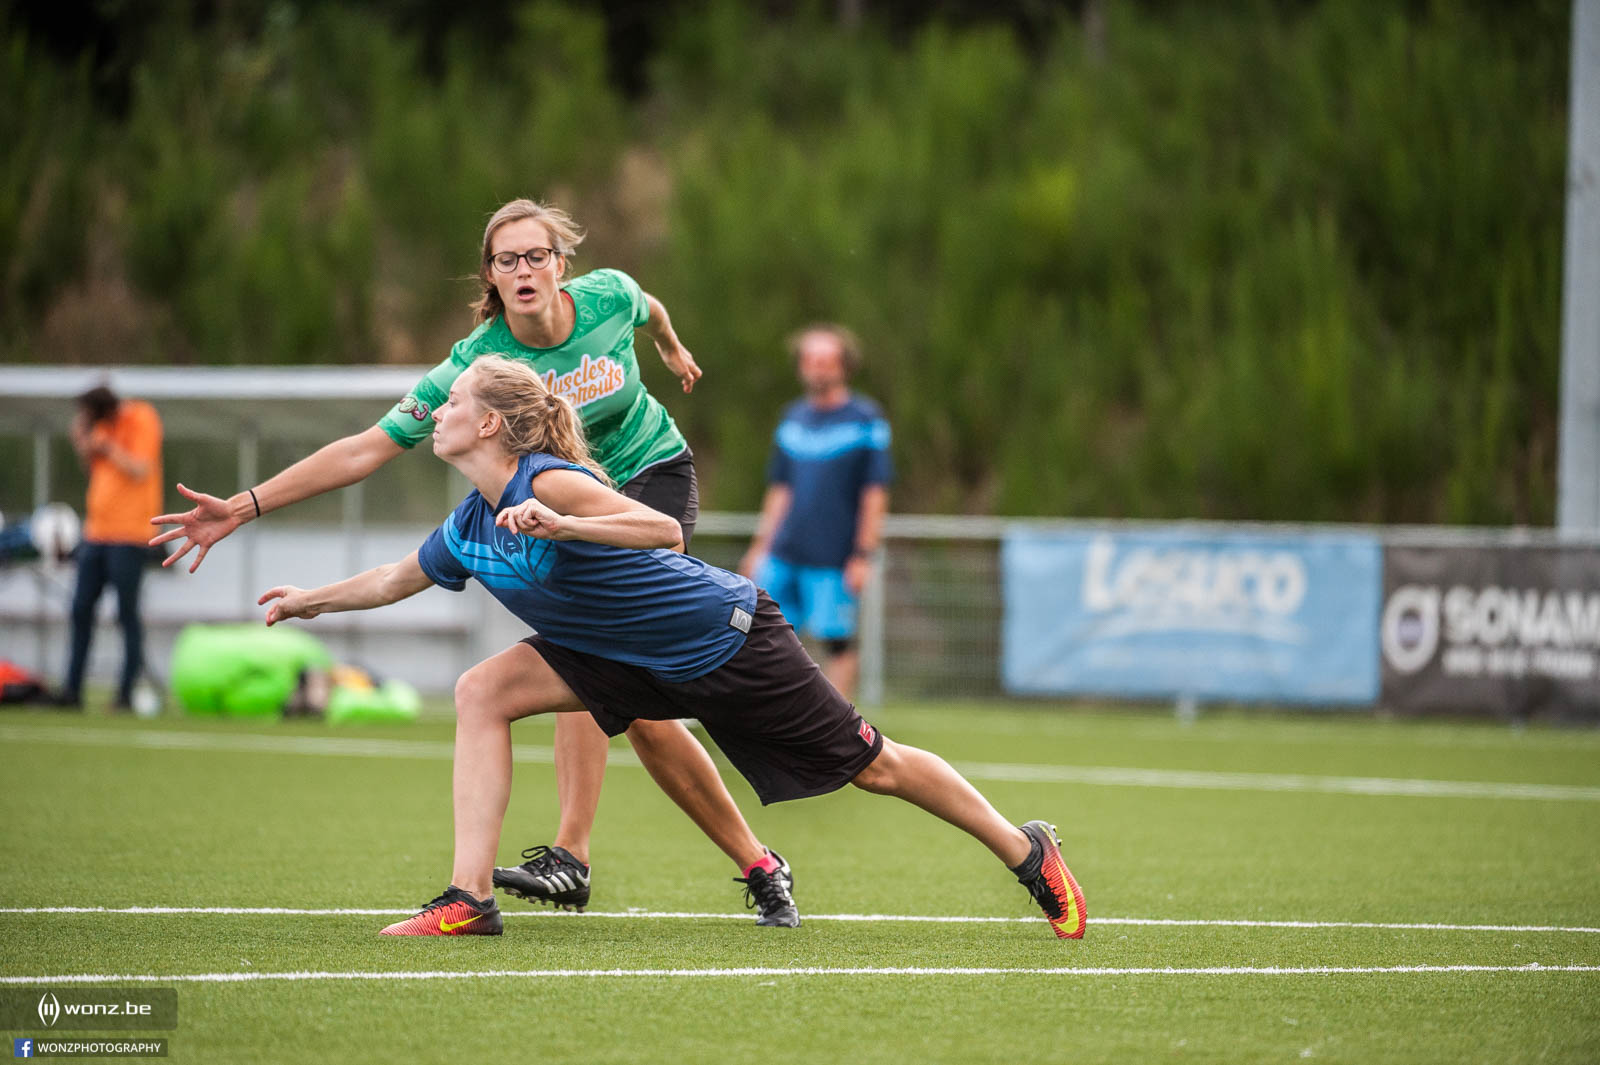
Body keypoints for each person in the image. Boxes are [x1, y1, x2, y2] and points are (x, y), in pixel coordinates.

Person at [258, 357, 1087, 939]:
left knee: (876, 765)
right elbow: (399, 576)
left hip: (725, 639)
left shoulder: (545, 480)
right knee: (482, 689)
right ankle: (468, 898)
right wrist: (310, 602)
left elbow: (660, 530)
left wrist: (565, 521)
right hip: (623, 658)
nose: (434, 411)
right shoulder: (469, 522)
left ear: (489, 422)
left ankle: (1026, 851)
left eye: (450, 402)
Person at [151, 199, 784, 919]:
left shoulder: (608, 294)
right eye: (506, 258)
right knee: (618, 690)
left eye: (535, 254)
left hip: (646, 486)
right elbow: (366, 448)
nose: (522, 269)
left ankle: (580, 856)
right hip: (554, 500)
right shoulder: (477, 366)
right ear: (490, 272)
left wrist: (671, 347)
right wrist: (245, 504)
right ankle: (744, 860)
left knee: (606, 664)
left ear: (560, 264)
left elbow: (651, 307)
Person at [739, 324, 890, 700]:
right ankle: (765, 710)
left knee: (836, 640)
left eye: (825, 360)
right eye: (809, 360)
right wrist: (760, 548)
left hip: (834, 558)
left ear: (844, 366)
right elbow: (780, 490)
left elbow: (875, 493)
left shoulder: (866, 419)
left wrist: (863, 554)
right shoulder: (792, 419)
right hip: (784, 553)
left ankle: (838, 727)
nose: (816, 368)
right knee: (757, 631)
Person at [60, 385, 163, 710]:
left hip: (130, 535)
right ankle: (72, 691)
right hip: (95, 534)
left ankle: (124, 695)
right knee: (80, 609)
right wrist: (82, 442)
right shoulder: (103, 427)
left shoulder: (141, 417)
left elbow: (140, 469)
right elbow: (93, 468)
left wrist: (107, 445)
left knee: (126, 614)